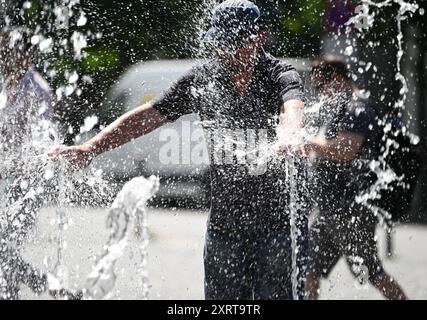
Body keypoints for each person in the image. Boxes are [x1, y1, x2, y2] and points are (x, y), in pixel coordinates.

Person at [49, 0, 308, 300]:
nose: (226, 51)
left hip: (277, 228)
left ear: (258, 37)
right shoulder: (203, 79)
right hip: (225, 228)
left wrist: (291, 133)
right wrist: (91, 147)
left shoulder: (280, 74)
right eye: (221, 43)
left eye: (235, 43)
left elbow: (293, 108)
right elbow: (147, 116)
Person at [304, 55, 407, 300]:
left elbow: (344, 150)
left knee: (373, 273)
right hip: (329, 209)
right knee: (308, 269)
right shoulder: (341, 108)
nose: (318, 94)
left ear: (338, 80)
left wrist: (307, 141)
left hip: (350, 212)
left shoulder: (358, 109)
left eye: (320, 87)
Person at [0, 27, 80, 300]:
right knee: (4, 253)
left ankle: (48, 286)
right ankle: (46, 288)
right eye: (3, 48)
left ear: (27, 53)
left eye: (11, 49)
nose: (5, 54)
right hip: (4, 177)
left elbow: (44, 135)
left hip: (24, 182)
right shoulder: (4, 83)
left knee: (3, 250)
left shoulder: (37, 89)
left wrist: (22, 160)